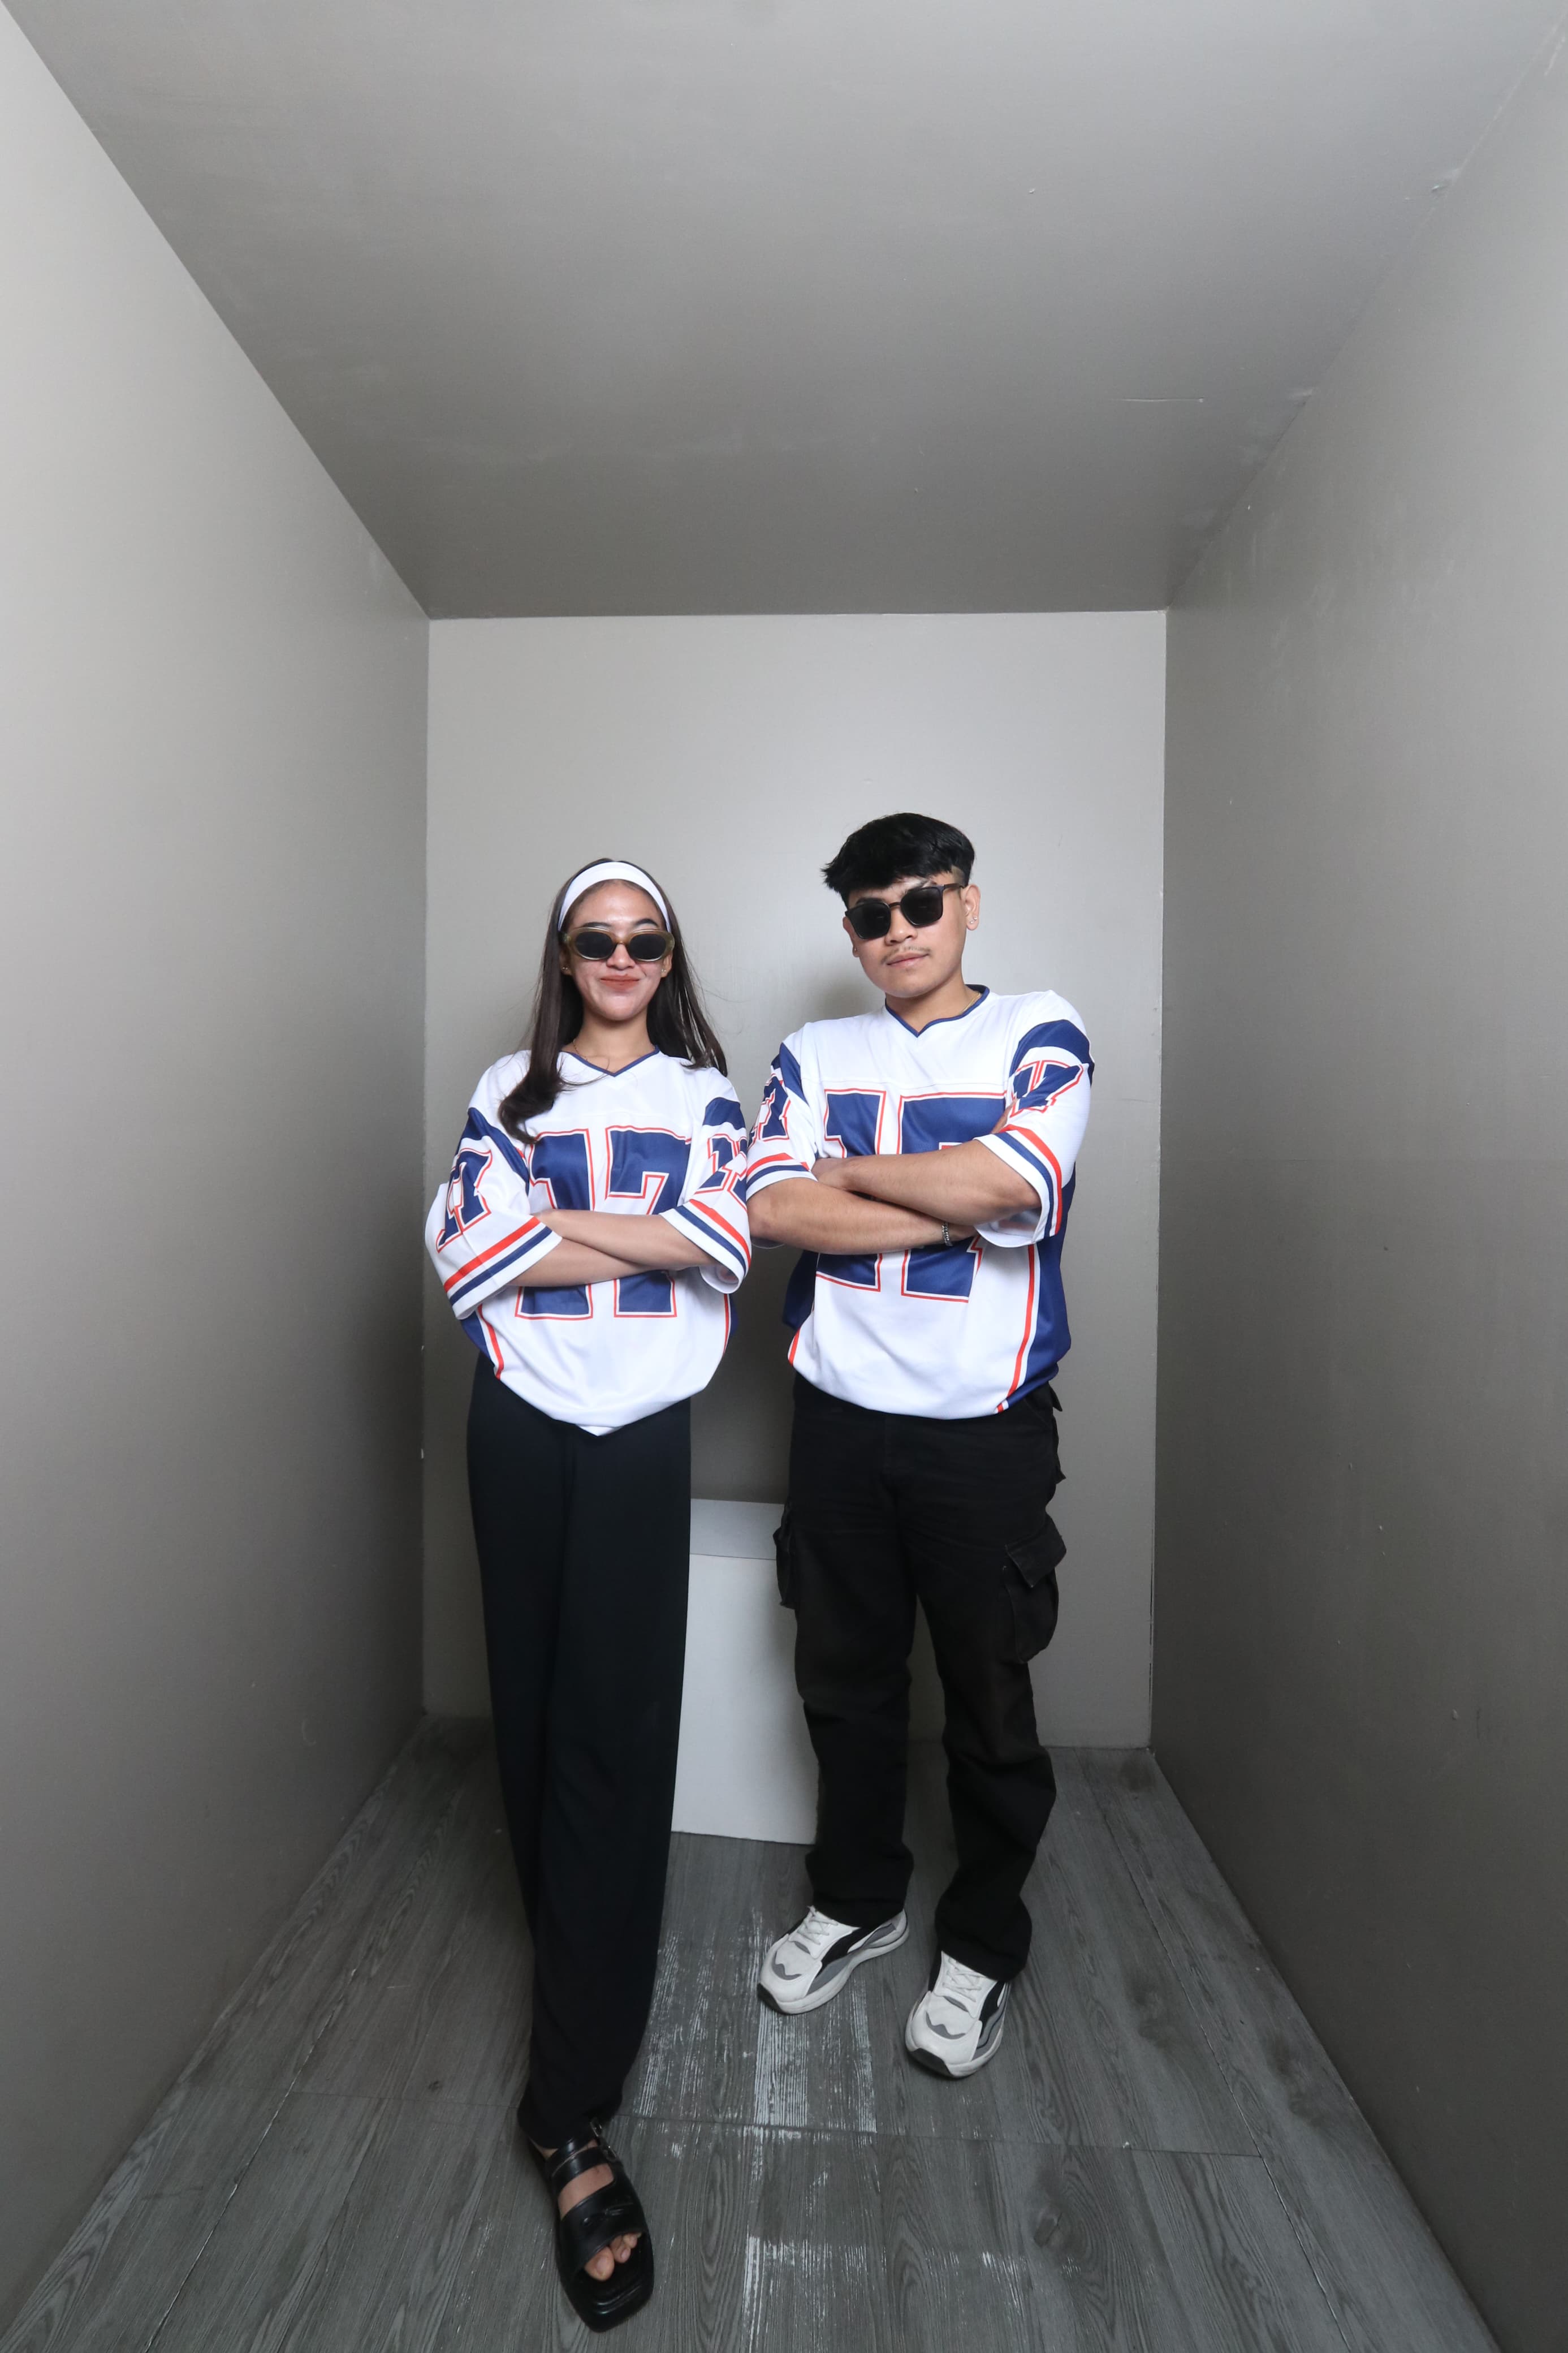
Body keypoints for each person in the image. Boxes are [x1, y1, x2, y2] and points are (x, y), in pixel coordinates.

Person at [426, 858, 749, 2333]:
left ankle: (565, 2110)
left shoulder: (704, 1096)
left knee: (614, 1738)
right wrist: (648, 1224)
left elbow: (727, 1242)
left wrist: (557, 1225)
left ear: (666, 957)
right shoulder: (508, 1087)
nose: (619, 956)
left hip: (635, 1438)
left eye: (644, 938)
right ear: (562, 955)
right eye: (593, 938)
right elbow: (466, 1247)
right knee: (535, 1710)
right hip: (517, 1424)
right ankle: (576, 1951)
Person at [746, 812, 1091, 2079]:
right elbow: (770, 1204)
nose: (896, 930)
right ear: (850, 932)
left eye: (920, 903)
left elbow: (1014, 1185)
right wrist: (945, 1194)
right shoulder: (813, 1050)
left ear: (968, 904)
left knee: (990, 1699)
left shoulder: (1040, 1029)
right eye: (869, 915)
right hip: (838, 1423)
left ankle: (984, 1939)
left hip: (983, 1433)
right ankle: (857, 1897)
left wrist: (854, 1171)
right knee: (843, 1679)